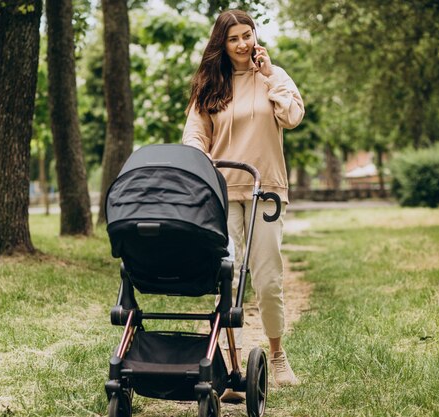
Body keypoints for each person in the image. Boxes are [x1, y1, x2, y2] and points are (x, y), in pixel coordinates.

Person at [181, 9, 305, 399]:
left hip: (264, 189)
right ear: (223, 42)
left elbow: (293, 116)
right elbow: (195, 136)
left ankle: (278, 354)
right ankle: (232, 370)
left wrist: (270, 77)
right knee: (228, 281)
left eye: (247, 35)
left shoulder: (274, 75)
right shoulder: (209, 84)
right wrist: (199, 168)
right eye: (234, 38)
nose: (242, 44)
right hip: (222, 191)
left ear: (255, 36)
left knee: (268, 279)